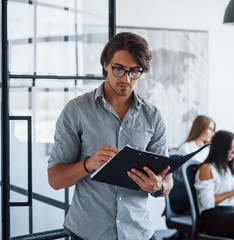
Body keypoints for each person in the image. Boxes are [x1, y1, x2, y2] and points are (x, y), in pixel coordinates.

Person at [47, 32, 173, 240]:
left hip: (138, 232)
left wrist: (159, 187)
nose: (126, 78)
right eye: (119, 69)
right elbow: (55, 179)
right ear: (105, 64)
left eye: (134, 72)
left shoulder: (153, 116)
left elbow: (167, 179)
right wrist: (88, 164)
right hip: (88, 233)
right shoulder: (76, 111)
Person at [194, 130, 234, 239]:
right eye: (231, 148)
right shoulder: (207, 168)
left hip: (230, 213)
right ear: (220, 148)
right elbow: (206, 203)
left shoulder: (230, 169)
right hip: (215, 218)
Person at [164, 115, 215, 240]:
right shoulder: (186, 148)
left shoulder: (206, 150)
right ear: (201, 128)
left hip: (200, 190)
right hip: (186, 195)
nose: (212, 133)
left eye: (213, 130)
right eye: (210, 129)